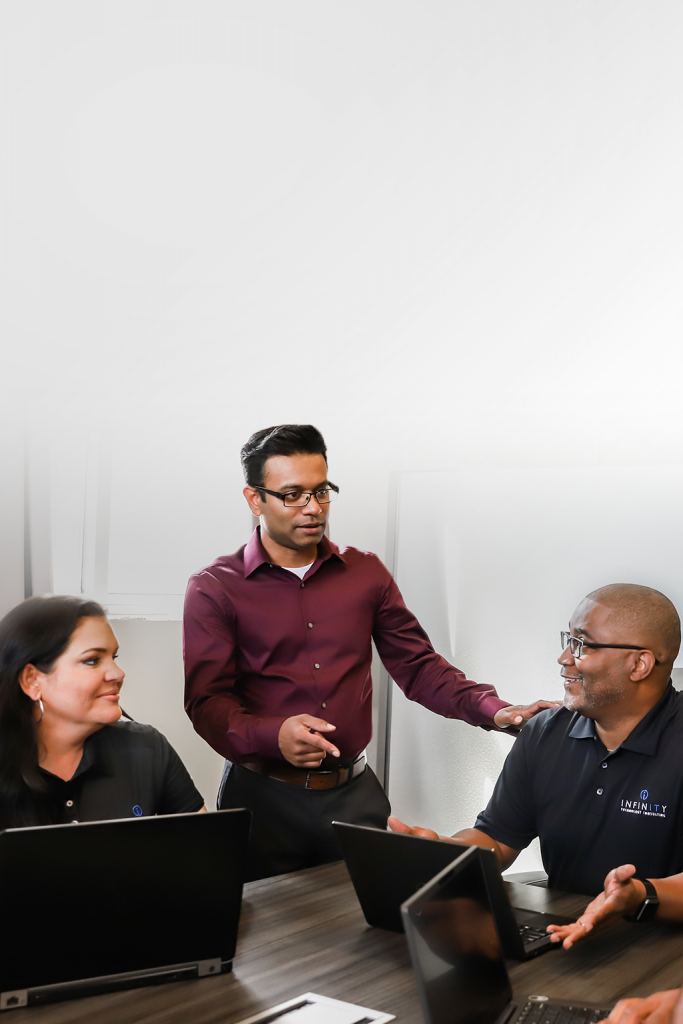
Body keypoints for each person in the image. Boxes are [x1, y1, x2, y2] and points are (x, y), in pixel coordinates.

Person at [183, 423, 556, 880]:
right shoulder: (214, 588)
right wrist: (272, 735)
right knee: (265, 945)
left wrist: (496, 712)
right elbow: (207, 704)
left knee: (374, 931)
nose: (312, 508)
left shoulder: (366, 573)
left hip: (354, 797)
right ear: (255, 498)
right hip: (264, 800)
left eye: (322, 492)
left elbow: (419, 668)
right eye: (293, 495)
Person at [390, 583, 683, 944]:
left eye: (582, 644)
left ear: (639, 663)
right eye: (567, 639)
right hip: (564, 937)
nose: (563, 658)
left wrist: (637, 895)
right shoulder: (545, 733)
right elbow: (497, 841)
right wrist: (445, 853)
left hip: (664, 955)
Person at [0, 595, 205, 830]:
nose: (118, 673)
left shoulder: (148, 748)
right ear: (32, 680)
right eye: (92, 660)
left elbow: (208, 850)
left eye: (113, 657)